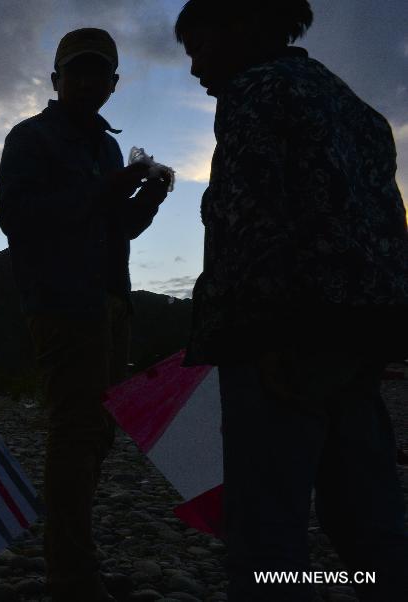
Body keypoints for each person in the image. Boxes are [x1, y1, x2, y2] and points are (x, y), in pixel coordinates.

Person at [174, 1, 408, 600]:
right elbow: (388, 225)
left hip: (281, 343)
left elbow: (253, 220)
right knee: (367, 520)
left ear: (243, 23)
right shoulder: (360, 112)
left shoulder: (255, 92)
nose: (195, 66)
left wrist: (266, 334)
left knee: (267, 530)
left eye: (199, 47)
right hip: (358, 341)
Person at [0, 28, 170, 601]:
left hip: (110, 303)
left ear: (115, 84)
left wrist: (149, 198)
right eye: (77, 71)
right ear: (56, 79)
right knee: (74, 433)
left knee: (96, 433)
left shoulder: (107, 147)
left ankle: (76, 559)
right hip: (62, 306)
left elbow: (116, 227)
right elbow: (16, 219)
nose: (89, 81)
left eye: (100, 73)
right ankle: (71, 576)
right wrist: (106, 191)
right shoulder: (31, 138)